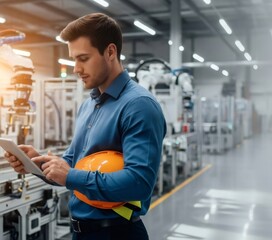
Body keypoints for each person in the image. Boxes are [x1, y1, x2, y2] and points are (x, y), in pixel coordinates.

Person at [4, 13, 166, 240]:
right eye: (73, 59)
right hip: (82, 232)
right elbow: (73, 162)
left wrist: (70, 176)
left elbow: (139, 183)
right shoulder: (89, 105)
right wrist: (35, 163)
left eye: (83, 58)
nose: (75, 68)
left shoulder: (138, 106)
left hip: (117, 233)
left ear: (110, 52)